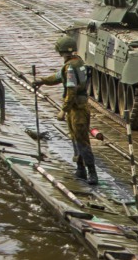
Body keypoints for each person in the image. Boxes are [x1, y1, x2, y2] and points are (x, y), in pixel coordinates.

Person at [35, 34, 97, 182]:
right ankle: (80, 169)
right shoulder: (78, 62)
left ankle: (92, 173)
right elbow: (58, 76)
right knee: (76, 138)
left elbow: (71, 90)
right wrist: (42, 81)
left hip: (76, 108)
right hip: (80, 106)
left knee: (81, 140)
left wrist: (64, 109)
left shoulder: (69, 67)